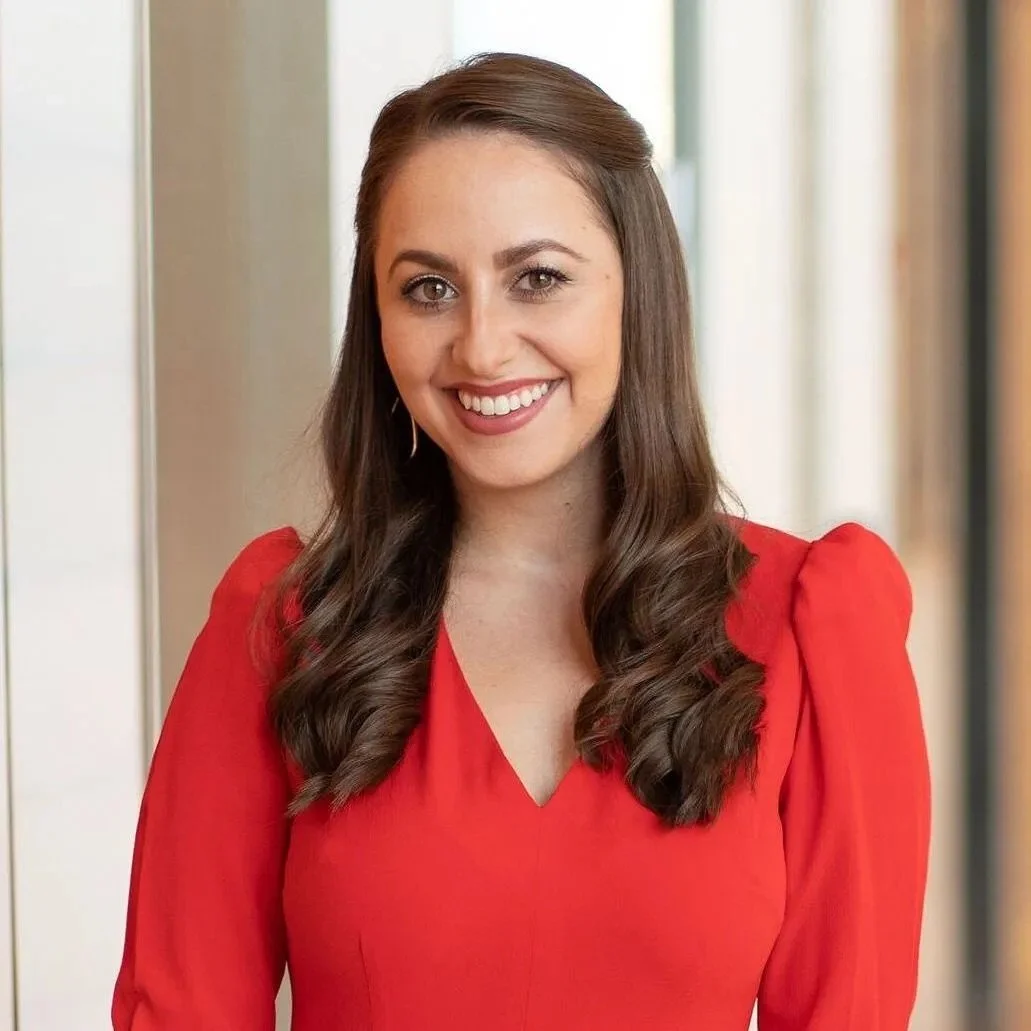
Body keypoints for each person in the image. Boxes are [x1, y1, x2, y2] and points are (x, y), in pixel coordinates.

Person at [112, 52, 931, 1030]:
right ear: (375, 321)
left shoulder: (806, 625)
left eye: (536, 278)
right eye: (427, 290)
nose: (482, 346)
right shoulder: (284, 631)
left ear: (637, 289)